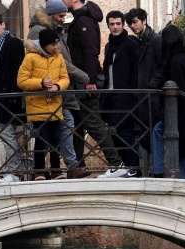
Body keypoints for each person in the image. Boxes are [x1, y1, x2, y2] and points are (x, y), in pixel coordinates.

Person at [63, 0, 128, 177]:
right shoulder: (80, 18)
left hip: (85, 83)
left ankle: (117, 164)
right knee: (77, 125)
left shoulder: (84, 20)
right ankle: (77, 166)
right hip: (79, 82)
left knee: (93, 123)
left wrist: (89, 80)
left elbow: (91, 52)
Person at [26, 0, 90, 179]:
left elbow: (62, 68)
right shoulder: (39, 32)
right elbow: (27, 75)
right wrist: (81, 76)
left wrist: (61, 84)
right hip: (45, 97)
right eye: (61, 16)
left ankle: (63, 167)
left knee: (60, 129)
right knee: (44, 134)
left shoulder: (53, 32)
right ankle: (47, 169)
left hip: (59, 92)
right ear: (51, 15)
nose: (64, 19)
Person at [150, 25, 185, 181]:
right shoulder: (183, 55)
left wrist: (169, 113)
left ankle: (161, 171)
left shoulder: (175, 59)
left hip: (181, 113)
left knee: (182, 149)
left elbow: (177, 89)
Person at [17, 28, 70, 181]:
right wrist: (40, 83)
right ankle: (39, 171)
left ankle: (56, 170)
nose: (56, 47)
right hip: (37, 106)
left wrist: (58, 86)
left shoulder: (58, 58)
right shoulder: (30, 58)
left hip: (54, 104)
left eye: (57, 44)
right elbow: (21, 81)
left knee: (55, 138)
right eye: (53, 44)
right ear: (45, 45)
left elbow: (65, 78)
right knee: (40, 138)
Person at [0, 14, 26, 183]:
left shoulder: (13, 43)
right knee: (5, 134)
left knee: (7, 134)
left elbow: (18, 70)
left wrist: (14, 97)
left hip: (10, 98)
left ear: (3, 24)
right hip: (1, 98)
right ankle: (14, 171)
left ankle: (15, 171)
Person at [102, 10, 140, 177]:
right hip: (110, 97)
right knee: (113, 132)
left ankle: (135, 168)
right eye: (112, 24)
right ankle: (126, 166)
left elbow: (136, 71)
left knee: (126, 134)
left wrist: (132, 94)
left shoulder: (131, 44)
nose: (115, 27)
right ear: (108, 26)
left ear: (123, 24)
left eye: (118, 23)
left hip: (125, 97)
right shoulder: (108, 46)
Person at [125, 8, 161, 157]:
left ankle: (158, 170)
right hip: (143, 97)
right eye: (130, 24)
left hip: (153, 97)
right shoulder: (140, 41)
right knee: (146, 137)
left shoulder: (155, 40)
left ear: (144, 21)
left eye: (135, 22)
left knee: (153, 135)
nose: (133, 26)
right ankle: (153, 169)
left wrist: (152, 84)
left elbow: (163, 66)